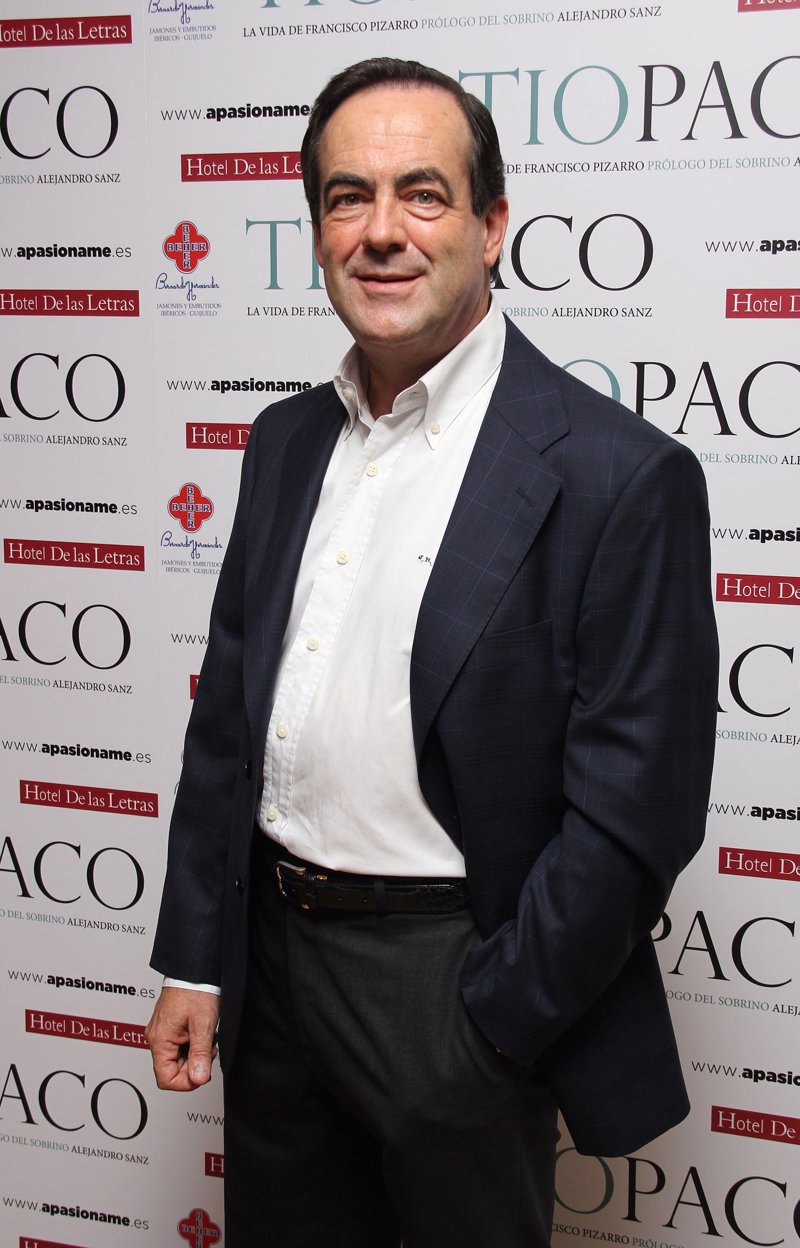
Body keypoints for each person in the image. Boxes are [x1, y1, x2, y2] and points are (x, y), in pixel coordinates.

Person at [146, 57, 718, 1248]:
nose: (380, 232)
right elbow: (228, 722)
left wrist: (493, 1024)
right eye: (346, 197)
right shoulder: (284, 440)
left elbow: (634, 814)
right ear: (316, 232)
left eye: (421, 193)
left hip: (450, 986)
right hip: (270, 971)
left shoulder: (617, 476)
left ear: (489, 225)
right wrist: (197, 961)